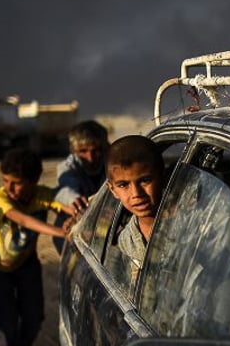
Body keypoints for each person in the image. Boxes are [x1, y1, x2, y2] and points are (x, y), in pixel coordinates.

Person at [0, 148, 75, 346]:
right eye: (6, 181)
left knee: (34, 316)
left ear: (33, 182)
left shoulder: (42, 195)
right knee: (8, 321)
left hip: (26, 263)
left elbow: (67, 206)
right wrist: (58, 232)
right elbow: (22, 219)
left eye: (17, 183)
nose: (9, 188)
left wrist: (76, 208)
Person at [106, 135, 166, 282]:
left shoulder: (194, 227)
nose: (136, 194)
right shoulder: (125, 241)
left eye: (145, 180)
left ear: (163, 177)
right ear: (112, 189)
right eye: (123, 185)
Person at [52, 120, 109, 253]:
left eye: (96, 151)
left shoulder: (112, 162)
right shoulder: (67, 167)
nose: (90, 158)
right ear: (73, 151)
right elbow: (64, 187)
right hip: (73, 235)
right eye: (83, 151)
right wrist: (74, 200)